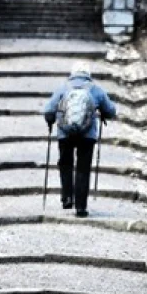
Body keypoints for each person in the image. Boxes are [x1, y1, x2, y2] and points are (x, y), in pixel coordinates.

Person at [43, 62, 117, 217]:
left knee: (66, 164)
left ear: (72, 73)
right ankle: (81, 207)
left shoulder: (63, 87)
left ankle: (67, 197)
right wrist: (102, 112)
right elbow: (111, 110)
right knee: (83, 169)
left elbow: (49, 110)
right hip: (87, 136)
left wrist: (50, 120)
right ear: (88, 74)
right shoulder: (95, 89)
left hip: (65, 133)